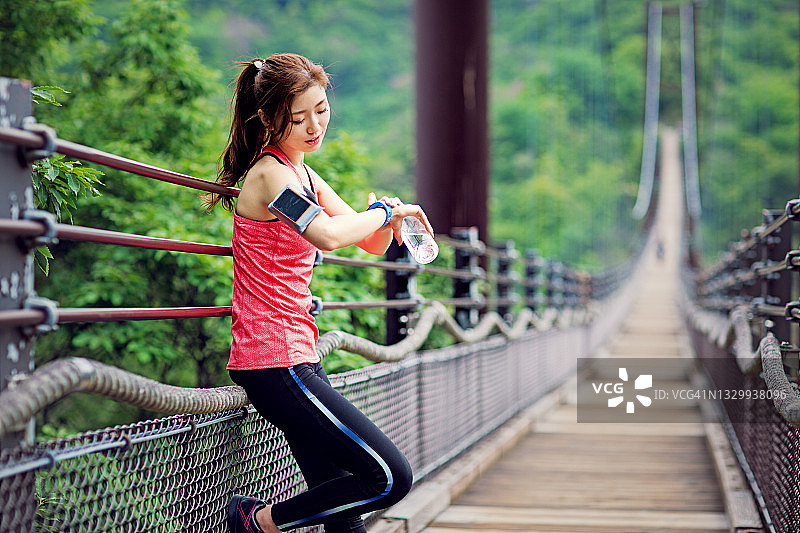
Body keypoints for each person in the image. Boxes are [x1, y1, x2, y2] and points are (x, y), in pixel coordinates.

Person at [206, 53, 432, 533]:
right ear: (268, 119)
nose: (314, 126)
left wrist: (385, 212)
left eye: (322, 110)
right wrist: (386, 215)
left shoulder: (304, 174)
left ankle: (260, 522)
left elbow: (370, 242)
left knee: (342, 510)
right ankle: (258, 522)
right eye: (298, 118)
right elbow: (327, 235)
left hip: (297, 356)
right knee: (389, 478)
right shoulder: (271, 176)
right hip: (274, 361)